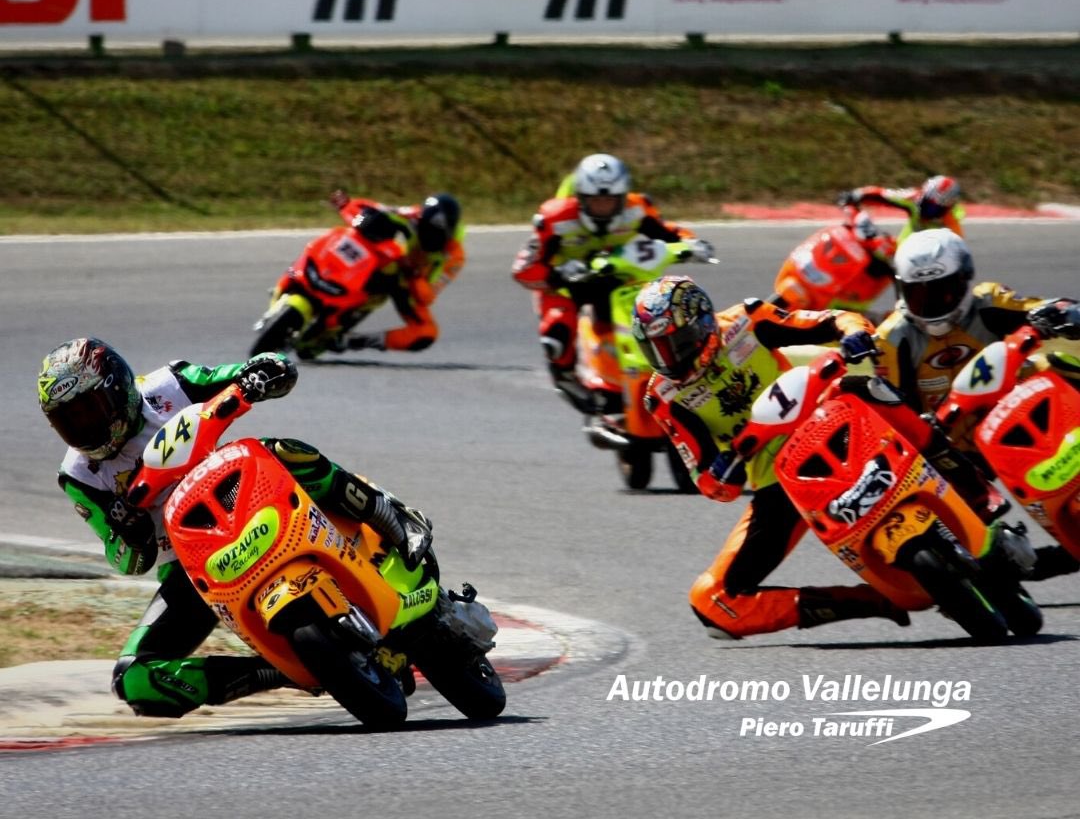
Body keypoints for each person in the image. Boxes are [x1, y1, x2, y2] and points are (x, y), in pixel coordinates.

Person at [38, 338, 433, 718]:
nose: (83, 428)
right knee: (135, 678)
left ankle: (391, 519)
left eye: (89, 410)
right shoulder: (78, 476)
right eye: (67, 421)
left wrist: (261, 374)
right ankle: (278, 671)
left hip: (244, 488)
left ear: (117, 388)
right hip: (191, 565)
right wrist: (130, 530)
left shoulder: (169, 383)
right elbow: (122, 559)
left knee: (281, 450)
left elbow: (243, 373)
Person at [631, 275, 919, 639]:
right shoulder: (663, 396)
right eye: (656, 350)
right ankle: (868, 600)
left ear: (702, 324)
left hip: (831, 420)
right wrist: (726, 469)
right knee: (716, 603)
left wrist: (854, 330)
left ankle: (972, 489)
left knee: (874, 380)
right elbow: (707, 481)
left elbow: (827, 320)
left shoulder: (746, 321)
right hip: (779, 480)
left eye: (677, 344)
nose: (669, 359)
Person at [873, 227, 1080, 579]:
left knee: (1064, 369)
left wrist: (1060, 314)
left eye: (942, 291)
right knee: (944, 526)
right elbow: (892, 408)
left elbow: (1046, 309)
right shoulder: (893, 338)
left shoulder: (989, 303)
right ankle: (1006, 557)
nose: (931, 303)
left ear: (965, 281)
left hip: (1021, 418)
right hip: (953, 446)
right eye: (918, 293)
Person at [511, 153, 714, 413]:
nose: (604, 207)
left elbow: (669, 232)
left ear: (622, 198)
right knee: (556, 334)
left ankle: (675, 366)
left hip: (619, 277)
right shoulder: (555, 218)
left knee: (664, 310)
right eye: (596, 201)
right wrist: (558, 274)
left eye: (610, 200)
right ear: (581, 199)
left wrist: (690, 243)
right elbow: (524, 268)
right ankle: (565, 376)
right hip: (567, 286)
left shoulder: (637, 208)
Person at [327, 189, 465, 353]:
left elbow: (427, 297)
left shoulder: (454, 257)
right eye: (425, 229)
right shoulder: (415, 214)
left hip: (410, 285)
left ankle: (355, 341)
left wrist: (413, 274)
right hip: (390, 261)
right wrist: (347, 204)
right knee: (366, 230)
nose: (428, 237)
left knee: (426, 333)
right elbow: (377, 209)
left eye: (435, 234)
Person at [838, 174, 964, 242]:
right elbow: (883, 194)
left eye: (933, 208)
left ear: (947, 208)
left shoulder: (951, 222)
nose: (927, 210)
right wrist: (857, 194)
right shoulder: (915, 198)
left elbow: (958, 247)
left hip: (935, 264)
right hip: (903, 252)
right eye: (926, 202)